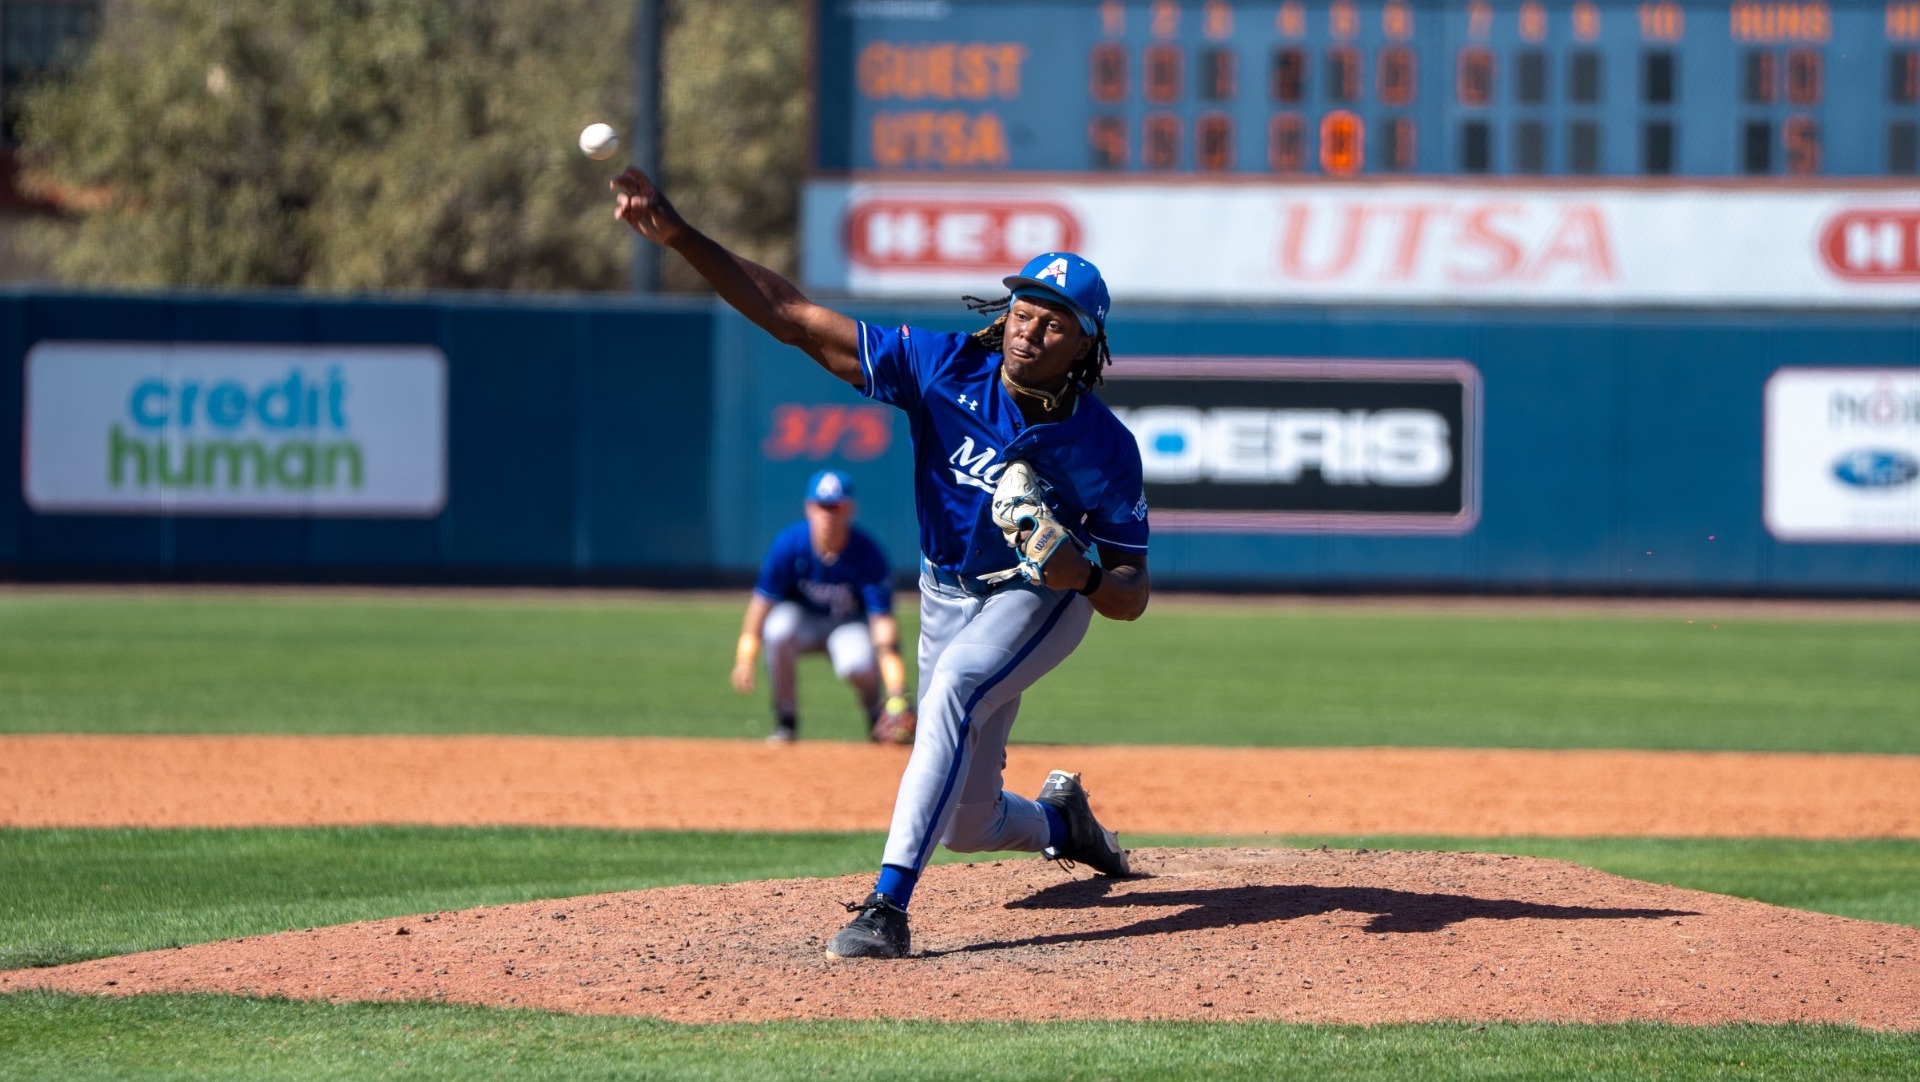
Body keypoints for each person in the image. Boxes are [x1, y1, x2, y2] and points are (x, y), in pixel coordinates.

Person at [613, 168, 1149, 961]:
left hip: (1039, 601)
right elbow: (794, 318)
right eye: (1024, 311)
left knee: (959, 688)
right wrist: (680, 236)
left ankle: (886, 907)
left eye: (1054, 325)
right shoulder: (941, 371)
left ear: (1086, 346)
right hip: (943, 594)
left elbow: (1132, 594)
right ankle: (1061, 822)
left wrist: (1090, 579)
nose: (1029, 332)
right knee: (970, 823)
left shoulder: (1106, 448)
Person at [733, 468, 915, 745]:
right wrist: (745, 658)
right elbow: (761, 605)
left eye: (837, 506)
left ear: (850, 509)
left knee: (856, 663)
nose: (829, 514)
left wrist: (896, 687)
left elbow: (883, 626)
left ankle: (876, 716)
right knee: (778, 628)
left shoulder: (867, 553)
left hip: (847, 625)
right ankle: (786, 720)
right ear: (809, 508)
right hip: (803, 622)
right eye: (822, 506)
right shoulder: (790, 543)